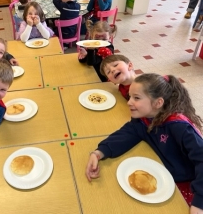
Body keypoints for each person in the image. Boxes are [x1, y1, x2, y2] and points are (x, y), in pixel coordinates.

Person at [85, 73, 203, 213]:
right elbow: (126, 134)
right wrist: (99, 152)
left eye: (136, 98)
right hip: (162, 173)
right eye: (130, 97)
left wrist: (199, 202)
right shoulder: (144, 118)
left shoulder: (180, 127)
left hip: (189, 183)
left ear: (158, 103)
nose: (129, 102)